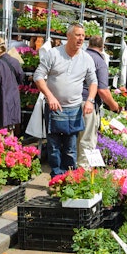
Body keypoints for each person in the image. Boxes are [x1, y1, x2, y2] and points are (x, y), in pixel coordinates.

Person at [34, 23, 97, 177]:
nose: (81, 39)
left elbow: (93, 82)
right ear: (68, 36)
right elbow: (38, 76)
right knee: (54, 146)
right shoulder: (53, 54)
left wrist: (90, 100)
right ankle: (56, 177)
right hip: (53, 107)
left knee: (70, 147)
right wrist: (50, 96)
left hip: (74, 108)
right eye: (77, 35)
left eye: (83, 35)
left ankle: (69, 178)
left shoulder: (87, 58)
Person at [77, 35, 121, 168]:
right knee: (87, 138)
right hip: (88, 103)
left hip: (73, 100)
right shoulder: (99, 61)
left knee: (75, 137)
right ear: (102, 47)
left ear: (88, 43)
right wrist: (115, 106)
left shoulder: (80, 55)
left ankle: (71, 168)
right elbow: (103, 90)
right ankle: (83, 172)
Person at [0, 38, 24, 131]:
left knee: (0, 127)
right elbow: (21, 77)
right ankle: (11, 144)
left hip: (1, 97)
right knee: (10, 127)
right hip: (13, 95)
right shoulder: (14, 61)